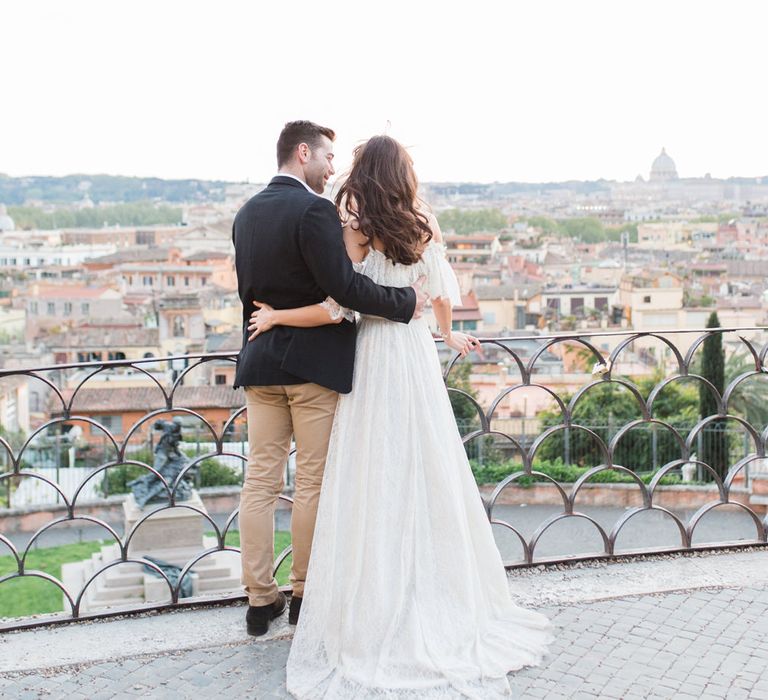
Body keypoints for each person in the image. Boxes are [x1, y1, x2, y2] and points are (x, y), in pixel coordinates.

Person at [247, 135, 552, 698]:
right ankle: (434, 587)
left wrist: (277, 316)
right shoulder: (422, 220)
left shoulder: (357, 223)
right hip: (412, 353)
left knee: (368, 468)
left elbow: (341, 298)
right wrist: (447, 335)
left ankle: (355, 590)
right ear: (404, 173)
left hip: (370, 353)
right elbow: (439, 293)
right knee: (424, 460)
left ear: (365, 172)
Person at [232, 121, 427, 637]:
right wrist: (407, 302)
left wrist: (273, 318)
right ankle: (303, 594)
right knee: (311, 483)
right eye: (327, 157)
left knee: (260, 482)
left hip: (259, 360)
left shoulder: (246, 213)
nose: (332, 168)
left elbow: (249, 293)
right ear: (303, 153)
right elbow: (345, 288)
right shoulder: (314, 210)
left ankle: (258, 601)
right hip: (312, 366)